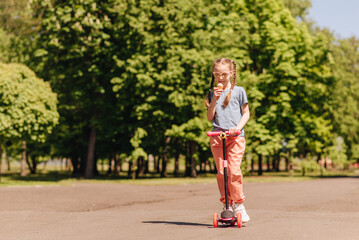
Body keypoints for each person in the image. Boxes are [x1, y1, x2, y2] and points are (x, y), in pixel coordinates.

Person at [205, 57, 250, 222]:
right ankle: (227, 204)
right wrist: (215, 99)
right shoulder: (212, 93)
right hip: (217, 137)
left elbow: (246, 113)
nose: (221, 78)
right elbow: (210, 117)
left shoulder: (239, 91)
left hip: (235, 137)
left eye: (224, 74)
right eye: (217, 75)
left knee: (233, 170)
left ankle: (239, 204)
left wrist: (237, 128)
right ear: (214, 75)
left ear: (231, 73)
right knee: (222, 172)